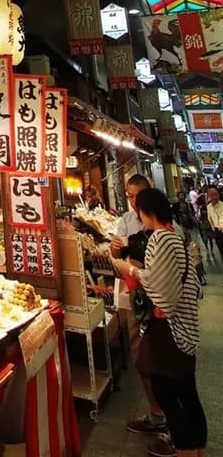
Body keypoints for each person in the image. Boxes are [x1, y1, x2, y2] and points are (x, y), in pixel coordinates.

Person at [113, 188, 206, 457]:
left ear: (146, 212)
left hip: (170, 330)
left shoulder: (160, 239)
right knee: (187, 393)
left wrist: (128, 269)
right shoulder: (174, 236)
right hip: (184, 329)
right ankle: (196, 449)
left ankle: (186, 449)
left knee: (169, 393)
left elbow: (157, 287)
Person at [110, 174, 170, 449]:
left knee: (165, 362)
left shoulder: (164, 230)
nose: (133, 201)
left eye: (137, 196)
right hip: (136, 298)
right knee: (141, 357)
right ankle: (157, 415)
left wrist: (133, 269)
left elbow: (157, 274)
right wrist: (115, 252)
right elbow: (117, 254)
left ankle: (174, 430)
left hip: (161, 304)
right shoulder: (126, 221)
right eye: (129, 195)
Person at [204, 184, 223, 263]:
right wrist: (213, 229)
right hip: (217, 232)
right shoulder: (209, 207)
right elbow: (209, 218)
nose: (215, 197)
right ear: (208, 196)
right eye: (212, 195)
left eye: (216, 194)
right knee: (221, 250)